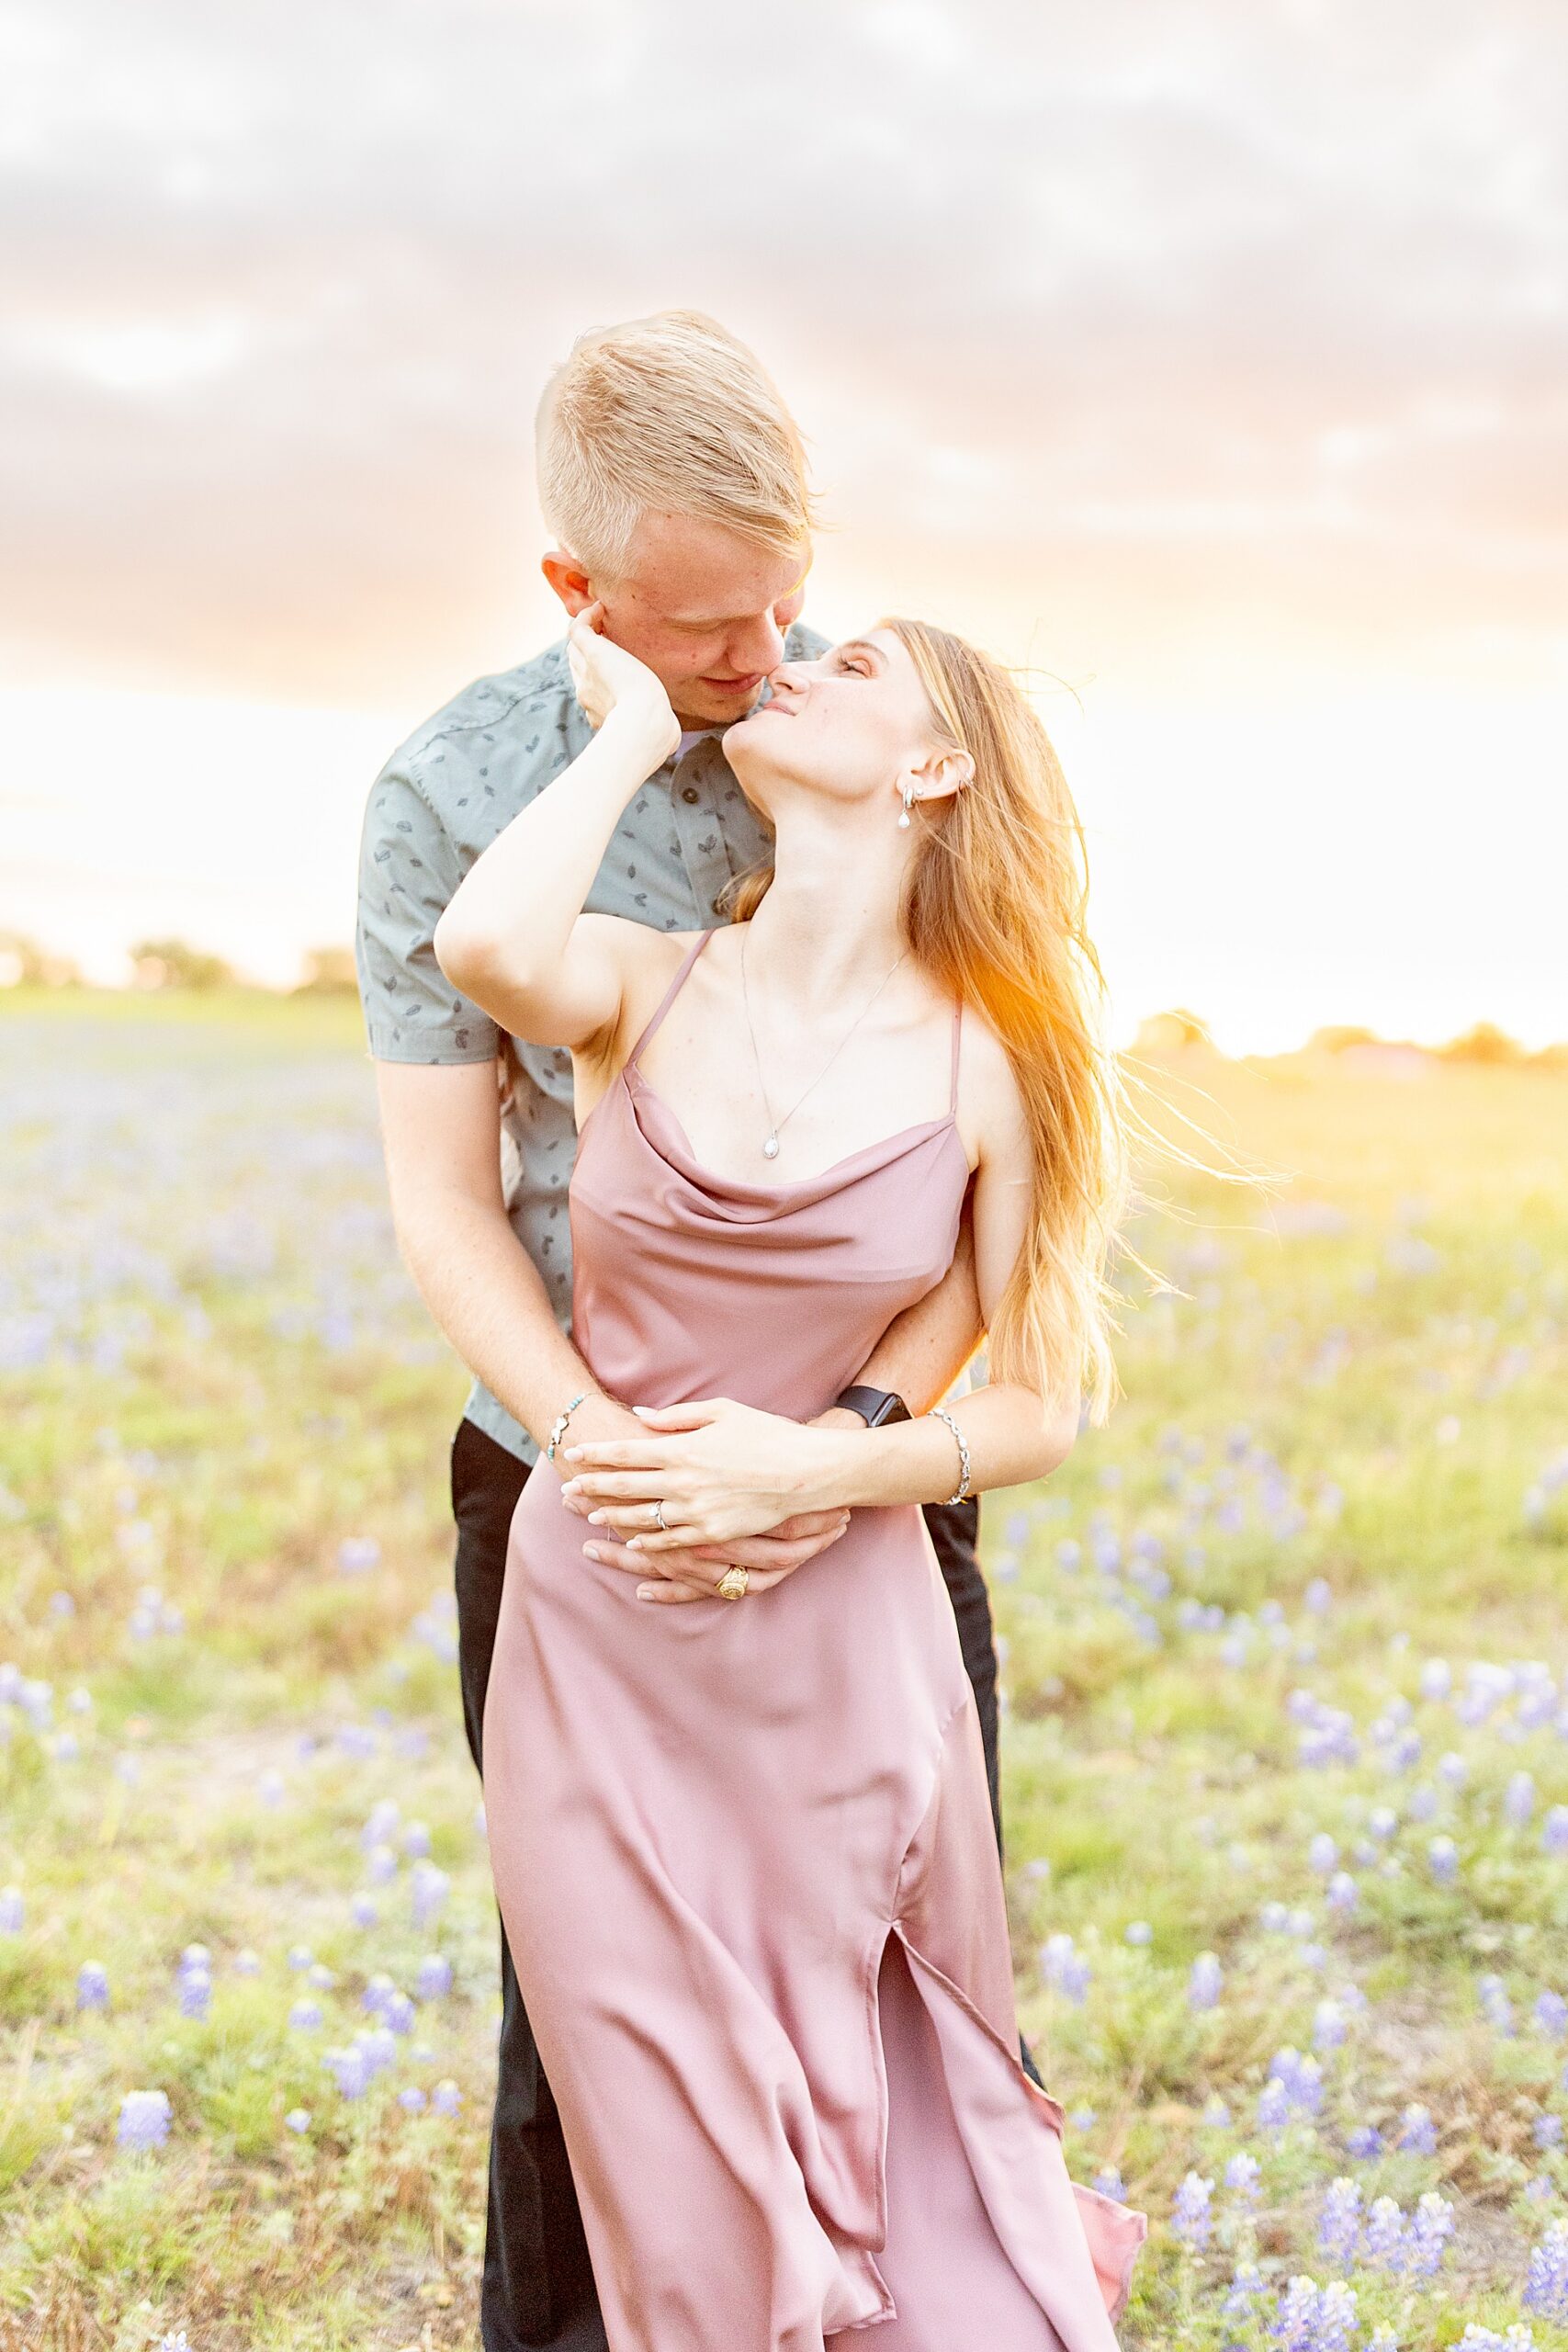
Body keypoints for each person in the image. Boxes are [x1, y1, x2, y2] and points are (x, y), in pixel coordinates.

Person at [354, 311, 1032, 2352]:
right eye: (711, 626)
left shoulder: (857, 723)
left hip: (849, 1475)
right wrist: (612, 1451)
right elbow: (445, 1194)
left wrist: (837, 1440)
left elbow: (995, 1212)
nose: (767, 654)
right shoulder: (450, 793)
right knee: (586, 2029)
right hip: (576, 1464)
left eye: (790, 601)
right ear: (577, 592)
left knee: (886, 1976)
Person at [429, 602, 1148, 2348]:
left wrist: (815, 1466)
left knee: (869, 2112)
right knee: (660, 2137)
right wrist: (625, 731)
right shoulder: (645, 975)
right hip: (596, 1617)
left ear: (934, 766)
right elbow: (481, 945)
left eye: (857, 668)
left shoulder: (1004, 1061)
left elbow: (1044, 1405)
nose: (798, 665)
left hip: (837, 1630)